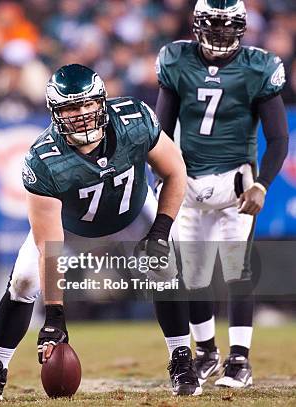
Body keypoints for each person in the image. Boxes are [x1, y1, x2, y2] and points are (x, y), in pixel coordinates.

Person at [0, 64, 198, 401]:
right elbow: (50, 245)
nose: (83, 113)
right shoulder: (43, 159)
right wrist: (55, 315)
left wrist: (161, 230)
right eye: (71, 107)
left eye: (88, 103)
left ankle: (181, 359)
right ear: (55, 113)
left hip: (131, 211)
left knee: (166, 267)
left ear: (102, 101)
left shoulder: (134, 120)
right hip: (69, 226)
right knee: (24, 281)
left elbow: (175, 171)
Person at [155, 0, 288, 389]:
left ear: (242, 27)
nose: (219, 32)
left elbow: (278, 138)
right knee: (194, 273)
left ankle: (240, 360)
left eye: (228, 25)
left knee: (236, 271)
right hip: (188, 182)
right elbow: (161, 130)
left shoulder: (259, 67)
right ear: (196, 24)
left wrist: (262, 183)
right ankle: (207, 353)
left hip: (236, 183)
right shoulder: (177, 60)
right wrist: (161, 174)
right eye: (212, 24)